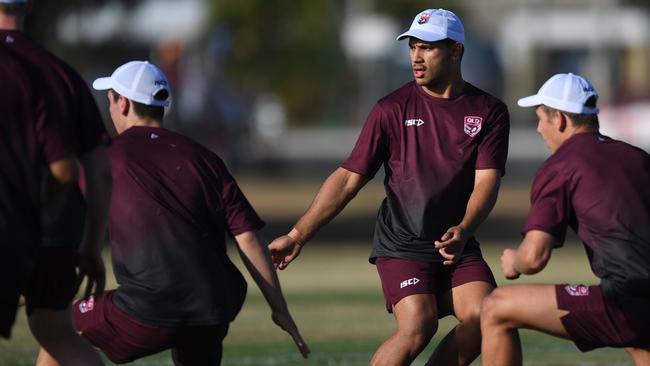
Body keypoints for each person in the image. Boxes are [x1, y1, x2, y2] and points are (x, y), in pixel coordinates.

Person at [269, 8, 509, 366]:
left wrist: (464, 229)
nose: (416, 56)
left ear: (455, 51)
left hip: (456, 244)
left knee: (487, 318)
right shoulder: (390, 109)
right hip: (402, 244)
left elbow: (486, 182)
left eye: (427, 47)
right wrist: (298, 234)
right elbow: (349, 178)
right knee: (419, 326)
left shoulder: (489, 111)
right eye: (412, 46)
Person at [37, 60, 310, 366]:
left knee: (57, 329)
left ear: (123, 103)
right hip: (212, 310)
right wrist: (279, 308)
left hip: (146, 311)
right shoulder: (206, 159)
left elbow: (61, 214)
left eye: (111, 99)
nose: (110, 107)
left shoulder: (108, 159)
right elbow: (248, 239)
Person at [480, 73, 650, 365]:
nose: (538, 129)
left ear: (559, 119)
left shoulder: (560, 165)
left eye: (540, 118)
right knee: (639, 344)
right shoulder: (638, 156)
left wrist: (514, 261)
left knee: (496, 307)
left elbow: (534, 258)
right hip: (641, 300)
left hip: (627, 300)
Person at [0, 1, 111, 365]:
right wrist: (92, 245)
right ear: (28, 7)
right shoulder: (60, 72)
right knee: (57, 333)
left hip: (7, 225)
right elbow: (97, 171)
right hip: (59, 230)